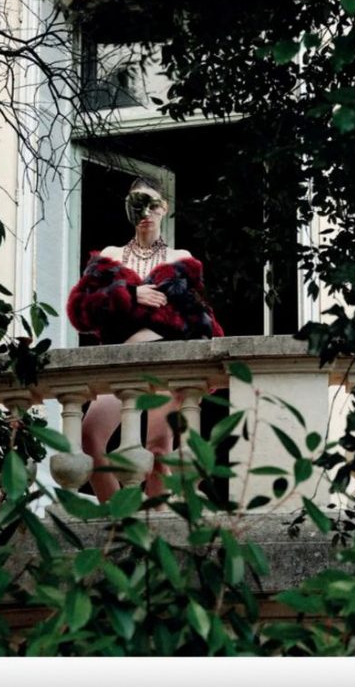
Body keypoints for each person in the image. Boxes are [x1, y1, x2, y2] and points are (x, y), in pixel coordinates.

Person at [66, 175, 223, 501]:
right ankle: (119, 517)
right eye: (137, 204)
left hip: (164, 359)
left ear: (164, 208)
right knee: (90, 437)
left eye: (152, 204)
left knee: (158, 447)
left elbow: (201, 321)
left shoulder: (180, 259)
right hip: (118, 360)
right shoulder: (110, 256)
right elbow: (81, 311)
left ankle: (154, 524)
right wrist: (130, 294)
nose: (145, 212)